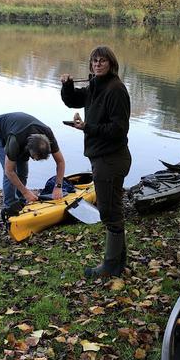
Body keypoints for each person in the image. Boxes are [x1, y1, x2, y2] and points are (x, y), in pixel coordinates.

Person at [61, 46, 132, 279]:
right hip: (101, 157)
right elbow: (74, 101)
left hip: (111, 158)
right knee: (113, 210)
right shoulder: (95, 85)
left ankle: (110, 267)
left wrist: (87, 127)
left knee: (109, 212)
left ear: (111, 64)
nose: (98, 64)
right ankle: (118, 263)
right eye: (94, 61)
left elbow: (119, 130)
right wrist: (67, 87)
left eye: (102, 61)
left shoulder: (116, 90)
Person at [0, 112, 66, 224]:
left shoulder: (48, 134)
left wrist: (58, 186)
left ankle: (21, 202)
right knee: (11, 172)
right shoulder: (15, 141)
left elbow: (60, 161)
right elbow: (9, 171)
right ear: (28, 149)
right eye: (34, 158)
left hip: (21, 131)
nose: (34, 160)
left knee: (23, 172)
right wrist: (26, 192)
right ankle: (9, 207)